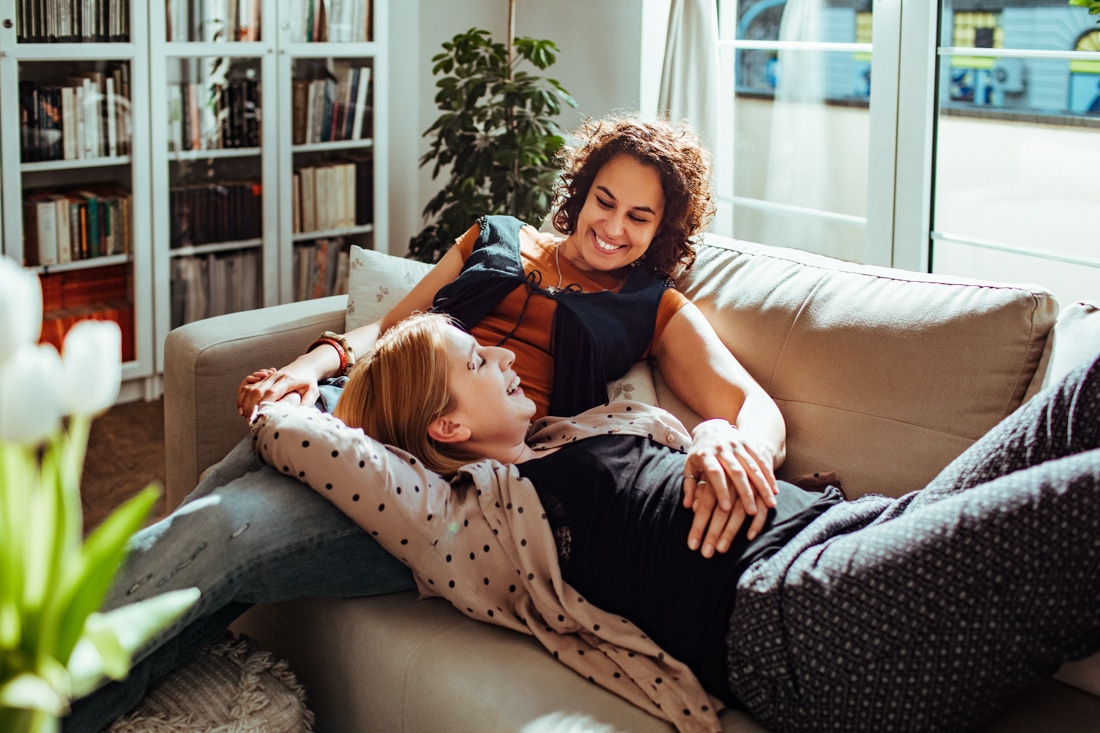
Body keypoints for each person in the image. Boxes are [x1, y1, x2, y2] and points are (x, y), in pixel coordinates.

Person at [65, 114, 784, 732]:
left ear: (663, 230)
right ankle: (70, 694)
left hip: (439, 483)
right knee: (203, 524)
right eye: (605, 200)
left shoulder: (654, 307)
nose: (613, 227)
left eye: (639, 217)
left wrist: (729, 438)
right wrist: (314, 366)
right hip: (358, 409)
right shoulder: (495, 235)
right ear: (581, 188)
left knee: (224, 534)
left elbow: (756, 408)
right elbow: (397, 327)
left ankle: (42, 683)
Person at [253, 311, 1100, 733]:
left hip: (864, 528)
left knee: (1086, 389)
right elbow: (315, 445)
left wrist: (719, 432)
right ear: (446, 428)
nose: (506, 355)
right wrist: (305, 380)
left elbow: (688, 368)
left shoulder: (572, 432)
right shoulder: (469, 524)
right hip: (801, 620)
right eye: (478, 361)